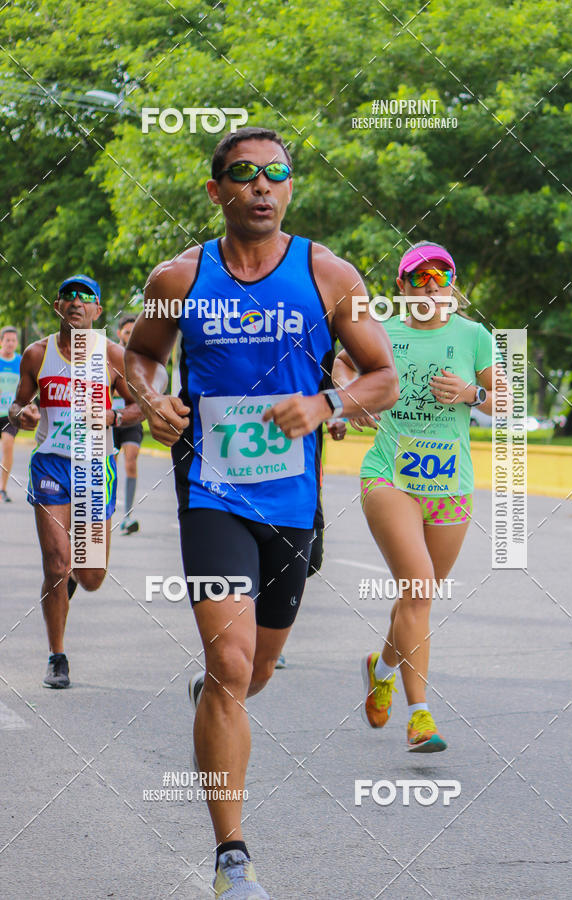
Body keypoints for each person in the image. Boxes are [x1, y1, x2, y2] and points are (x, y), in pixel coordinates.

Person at [124, 126, 398, 899]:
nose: (262, 186)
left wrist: (327, 403)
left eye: (276, 173)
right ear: (217, 191)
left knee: (258, 670)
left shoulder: (329, 273)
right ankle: (232, 858)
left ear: (290, 187)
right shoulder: (178, 277)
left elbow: (383, 377)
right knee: (232, 664)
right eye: (244, 174)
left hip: (291, 502)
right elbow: (141, 355)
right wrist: (152, 399)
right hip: (211, 492)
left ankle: (217, 693)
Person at [333, 241, 506, 752]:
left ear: (453, 286)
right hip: (389, 477)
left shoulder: (473, 336)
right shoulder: (382, 331)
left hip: (451, 486)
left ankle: (381, 668)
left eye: (441, 277)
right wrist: (349, 401)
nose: (431, 286)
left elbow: (507, 401)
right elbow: (341, 364)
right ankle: (420, 716)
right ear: (401, 287)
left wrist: (472, 394)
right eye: (419, 277)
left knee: (417, 597)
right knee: (419, 587)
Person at [8, 275, 142, 689]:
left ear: (98, 310)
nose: (76, 302)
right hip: (50, 464)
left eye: (86, 297)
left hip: (95, 466)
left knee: (90, 576)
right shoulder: (37, 353)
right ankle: (57, 655)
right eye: (68, 296)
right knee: (56, 563)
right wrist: (23, 415)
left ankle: (67, 578)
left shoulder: (113, 355)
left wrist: (113, 416)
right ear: (57, 306)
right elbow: (18, 405)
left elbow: (140, 406)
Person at [112, 315, 144, 534]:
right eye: (127, 332)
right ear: (119, 333)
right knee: (110, 465)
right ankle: (106, 510)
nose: (130, 335)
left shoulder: (140, 357)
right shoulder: (110, 355)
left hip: (132, 417)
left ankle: (128, 515)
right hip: (111, 418)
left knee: (131, 460)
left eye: (133, 332)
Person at [0, 326, 22, 503]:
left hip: (10, 414)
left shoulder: (21, 362)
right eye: (7, 340)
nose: (10, 343)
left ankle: (2, 489)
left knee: (8, 445)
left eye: (13, 340)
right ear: (1, 342)